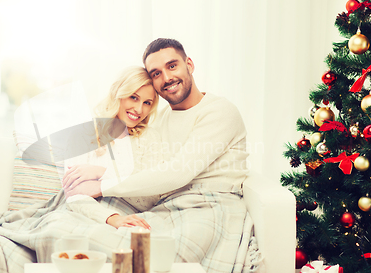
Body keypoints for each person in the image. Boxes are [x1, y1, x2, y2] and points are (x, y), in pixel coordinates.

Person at [64, 38, 249, 202]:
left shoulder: (219, 111)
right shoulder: (159, 120)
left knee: (143, 238)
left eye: (172, 66)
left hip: (212, 203)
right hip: (167, 207)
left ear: (189, 65)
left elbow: (178, 171)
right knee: (134, 237)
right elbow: (146, 173)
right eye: (156, 73)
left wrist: (100, 184)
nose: (167, 78)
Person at [62, 66, 163, 229]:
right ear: (119, 94)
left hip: (132, 216)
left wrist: (101, 172)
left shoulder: (150, 138)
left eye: (147, 103)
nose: (138, 109)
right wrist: (113, 219)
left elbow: (150, 198)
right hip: (84, 214)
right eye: (133, 97)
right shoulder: (82, 134)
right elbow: (74, 194)